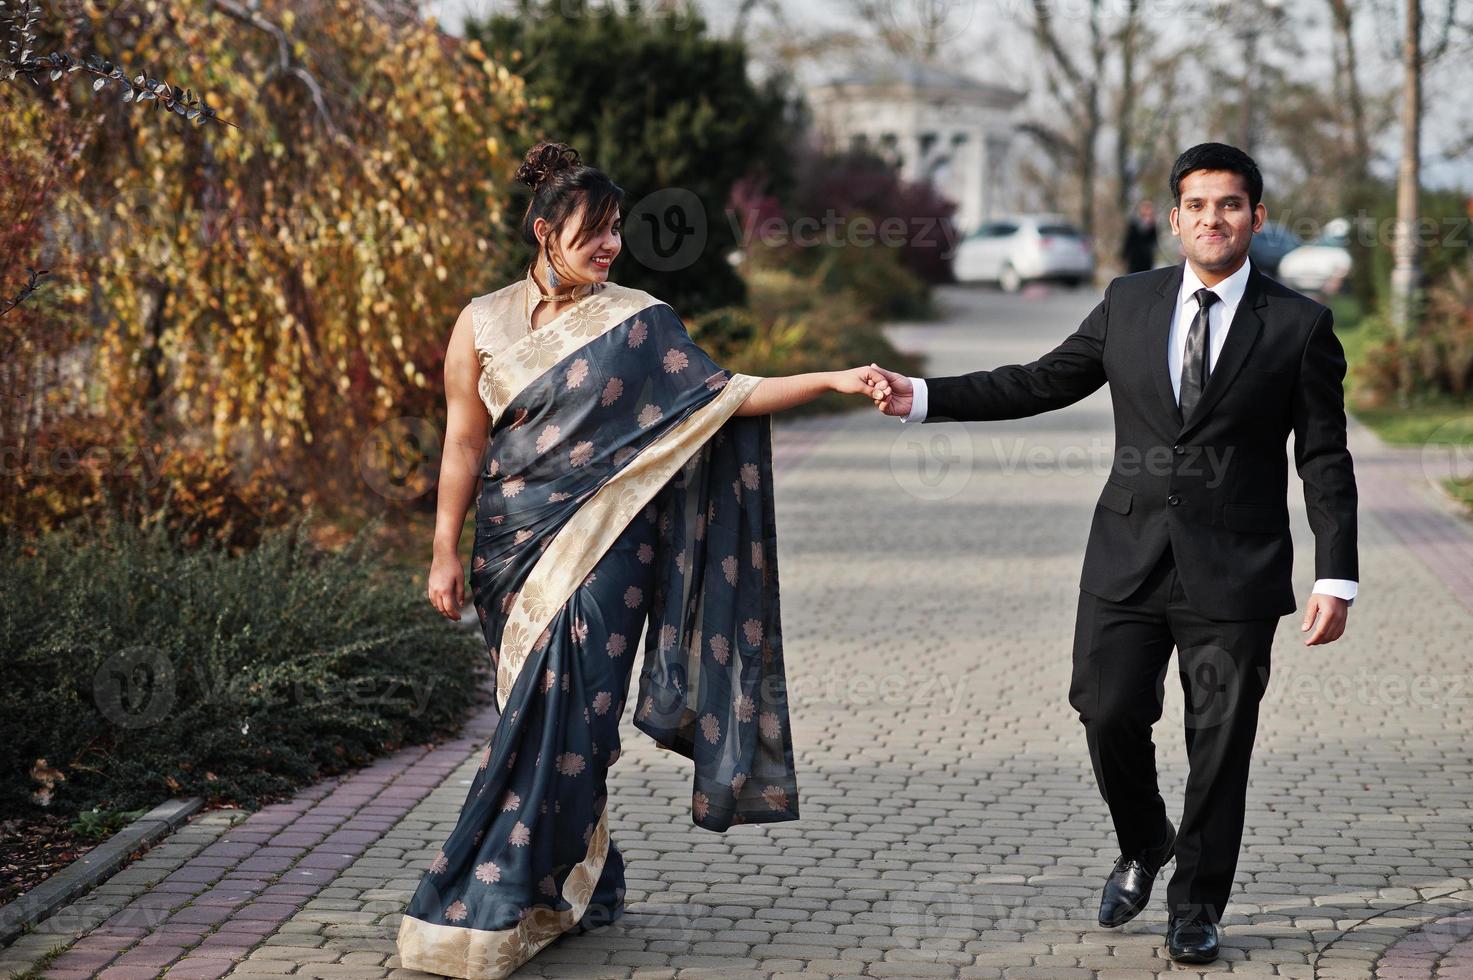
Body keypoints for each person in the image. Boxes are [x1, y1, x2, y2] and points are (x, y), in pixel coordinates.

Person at [865, 142, 1358, 965]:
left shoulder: (1298, 325)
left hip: (1233, 574)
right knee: (1105, 708)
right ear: (1173, 219)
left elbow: (1324, 456)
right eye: (1196, 206)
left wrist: (1333, 573)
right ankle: (1144, 838)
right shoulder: (1129, 302)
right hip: (1126, 556)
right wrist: (922, 396)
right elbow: (1038, 380)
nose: (1212, 219)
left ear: (1255, 217)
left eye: (1229, 205)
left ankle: (1196, 904)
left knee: (1219, 741)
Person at [400, 140, 876, 979]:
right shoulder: (478, 322)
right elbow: (461, 443)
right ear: (544, 231)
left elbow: (726, 396)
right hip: (510, 551)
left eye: (617, 230)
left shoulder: (640, 321)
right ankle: (583, 881)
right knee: (540, 719)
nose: (610, 246)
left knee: (570, 721)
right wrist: (442, 552)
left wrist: (832, 378)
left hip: (612, 552)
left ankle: (496, 896)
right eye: (594, 231)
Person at [1121, 199, 1160, 273]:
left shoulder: (1153, 225)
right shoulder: (1134, 224)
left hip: (1147, 259)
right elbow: (1129, 241)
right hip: (1135, 259)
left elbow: (1154, 242)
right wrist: (1124, 255)